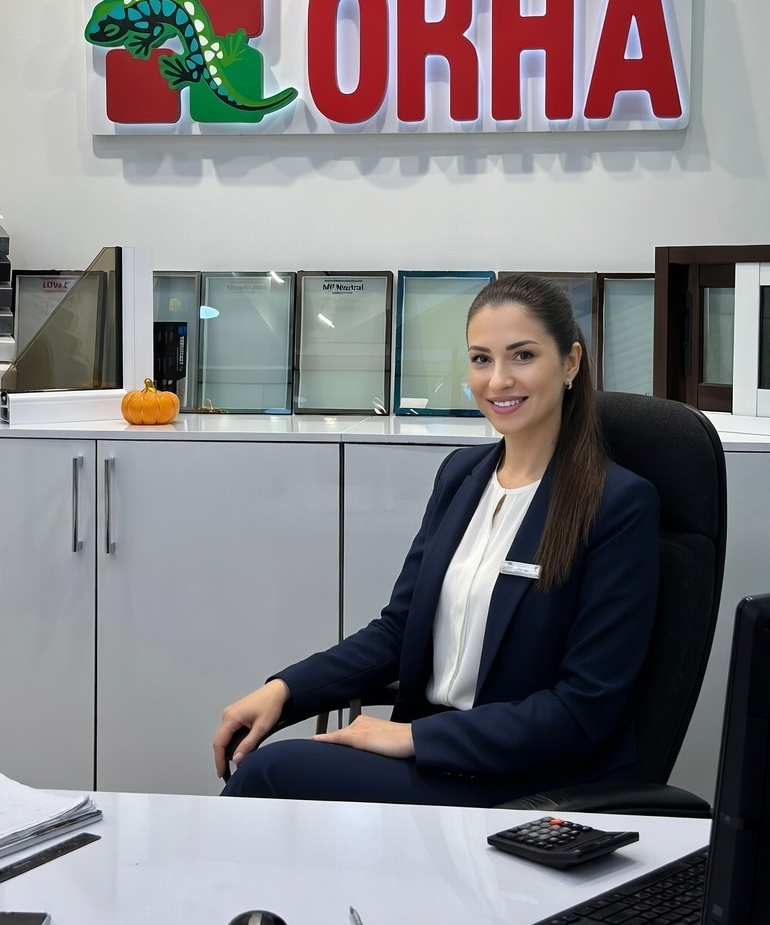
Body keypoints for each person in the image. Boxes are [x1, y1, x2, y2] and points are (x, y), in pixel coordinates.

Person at [213, 273, 660, 806]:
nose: (498, 380)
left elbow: (584, 709)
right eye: (481, 359)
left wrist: (415, 737)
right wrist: (285, 690)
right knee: (266, 768)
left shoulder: (617, 504)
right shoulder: (461, 476)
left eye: (522, 356)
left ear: (570, 363)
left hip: (525, 773)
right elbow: (399, 631)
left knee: (271, 773)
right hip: (434, 755)